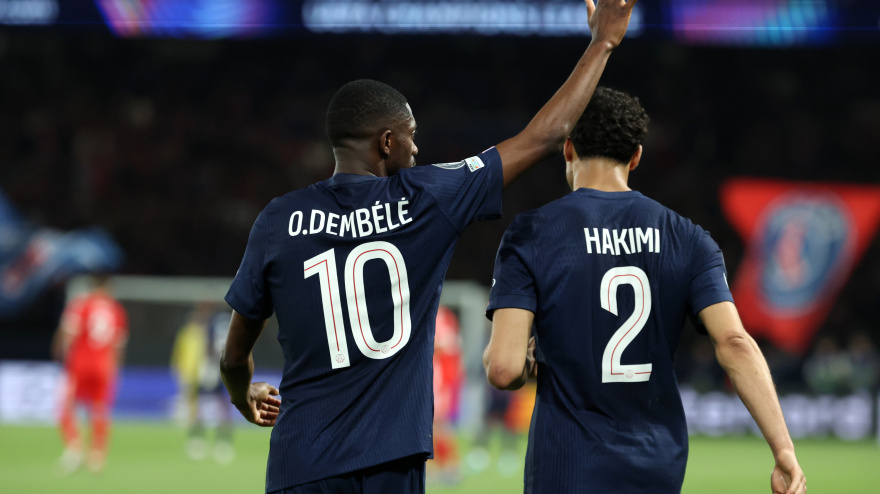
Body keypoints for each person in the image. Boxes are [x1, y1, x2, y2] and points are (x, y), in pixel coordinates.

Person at [220, 1, 639, 492]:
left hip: (300, 462)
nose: (417, 151)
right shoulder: (425, 199)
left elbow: (233, 357)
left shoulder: (278, 219)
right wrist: (602, 43)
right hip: (391, 460)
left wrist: (241, 396)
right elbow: (545, 136)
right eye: (412, 138)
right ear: (386, 142)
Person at [482, 86, 807, 494]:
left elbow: (503, 370)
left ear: (567, 149)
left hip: (565, 463)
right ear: (636, 156)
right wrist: (783, 449)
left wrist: (528, 363)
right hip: (656, 463)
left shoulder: (531, 234)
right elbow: (735, 343)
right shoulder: (689, 238)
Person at [53, 274, 128, 474]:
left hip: (81, 364)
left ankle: (74, 448)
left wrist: (60, 352)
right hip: (104, 366)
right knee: (100, 409)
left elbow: (69, 332)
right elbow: (118, 346)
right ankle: (97, 456)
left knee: (65, 405)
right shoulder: (116, 310)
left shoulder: (82, 304)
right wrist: (115, 369)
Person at [170, 303, 235, 463]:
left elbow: (209, 346)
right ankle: (222, 442)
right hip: (226, 366)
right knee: (222, 403)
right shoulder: (231, 320)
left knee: (203, 402)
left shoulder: (213, 323)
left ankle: (199, 441)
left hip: (212, 366)